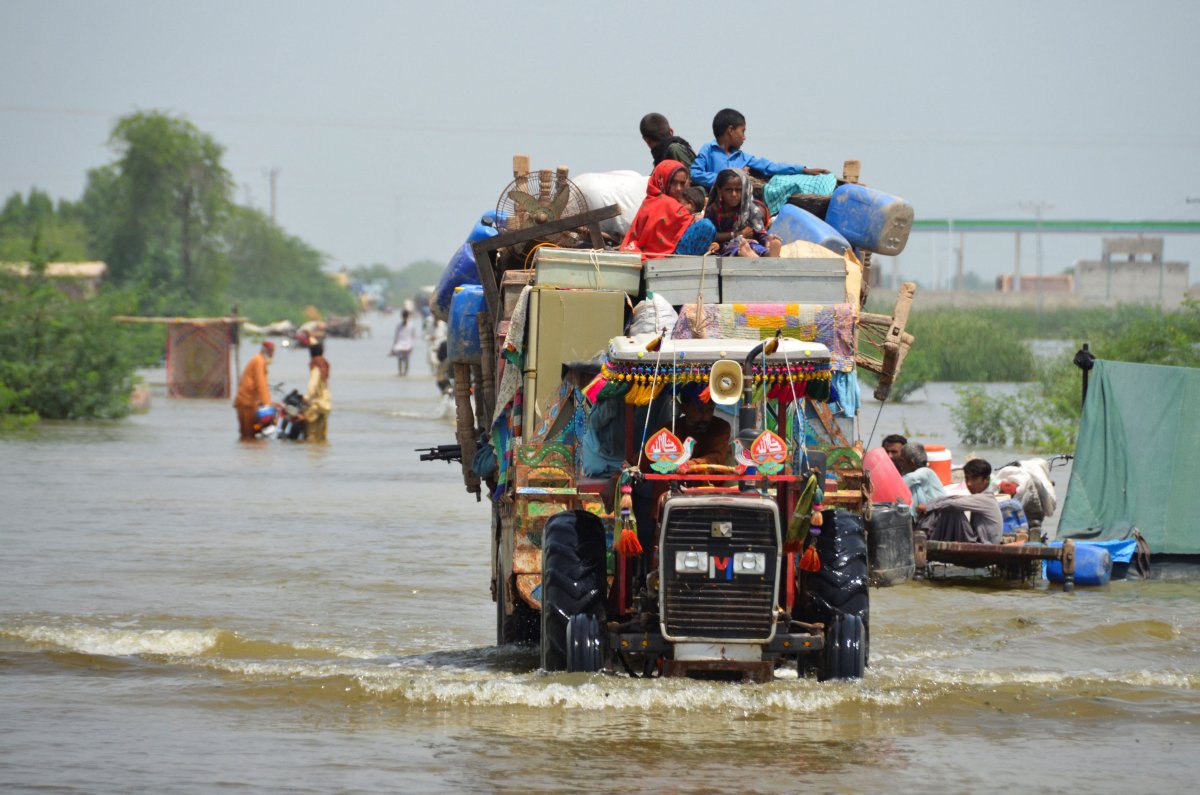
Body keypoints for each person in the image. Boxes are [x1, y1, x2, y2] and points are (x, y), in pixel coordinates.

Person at [690, 108, 828, 189]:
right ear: (731, 130)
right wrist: (730, 176)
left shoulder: (743, 158)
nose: (744, 137)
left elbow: (770, 167)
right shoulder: (708, 150)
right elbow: (695, 174)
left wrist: (802, 169)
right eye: (742, 131)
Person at [621, 159, 716, 257]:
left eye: (682, 183)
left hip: (656, 258)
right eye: (673, 183)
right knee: (707, 226)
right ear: (662, 181)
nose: (678, 188)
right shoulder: (665, 203)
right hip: (666, 259)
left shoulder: (649, 201)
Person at [916, 458, 1002, 544]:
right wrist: (929, 505)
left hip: (985, 546)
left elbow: (954, 503)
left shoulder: (986, 499)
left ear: (986, 479)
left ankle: (930, 541)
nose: (969, 483)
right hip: (979, 542)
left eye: (974, 479)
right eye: (967, 478)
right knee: (947, 506)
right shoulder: (981, 497)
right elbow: (955, 498)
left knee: (953, 511)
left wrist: (928, 507)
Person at [705, 169, 781, 257]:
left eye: (738, 190)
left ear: (744, 190)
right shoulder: (713, 210)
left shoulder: (751, 209)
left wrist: (768, 241)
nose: (734, 194)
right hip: (723, 246)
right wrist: (736, 234)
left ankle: (768, 254)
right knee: (734, 247)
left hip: (748, 243)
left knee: (755, 246)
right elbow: (709, 235)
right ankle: (744, 253)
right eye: (729, 190)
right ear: (719, 190)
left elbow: (760, 234)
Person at [233, 341, 274, 441]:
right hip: (247, 403)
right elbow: (261, 384)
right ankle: (250, 456)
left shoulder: (258, 359)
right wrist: (268, 405)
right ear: (268, 351)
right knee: (248, 436)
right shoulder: (259, 361)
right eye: (272, 351)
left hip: (248, 402)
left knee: (247, 437)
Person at [898, 442, 946, 514]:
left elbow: (905, 481)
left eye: (902, 461)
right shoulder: (918, 480)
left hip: (938, 514)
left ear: (912, 463)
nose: (900, 464)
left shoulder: (925, 472)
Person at [303, 341, 332, 444]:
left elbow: (312, 386)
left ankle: (313, 458)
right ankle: (322, 456)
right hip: (325, 405)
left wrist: (306, 399)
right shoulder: (324, 365)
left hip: (316, 405)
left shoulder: (316, 367)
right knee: (322, 435)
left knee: (312, 435)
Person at [391, 309, 418, 376]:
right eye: (404, 316)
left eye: (406, 316)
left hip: (408, 345)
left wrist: (412, 345)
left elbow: (413, 336)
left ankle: (405, 373)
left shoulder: (411, 325)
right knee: (399, 359)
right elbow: (396, 336)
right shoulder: (399, 325)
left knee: (407, 360)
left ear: (408, 317)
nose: (405, 318)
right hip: (399, 344)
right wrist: (394, 346)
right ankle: (400, 373)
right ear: (402, 317)